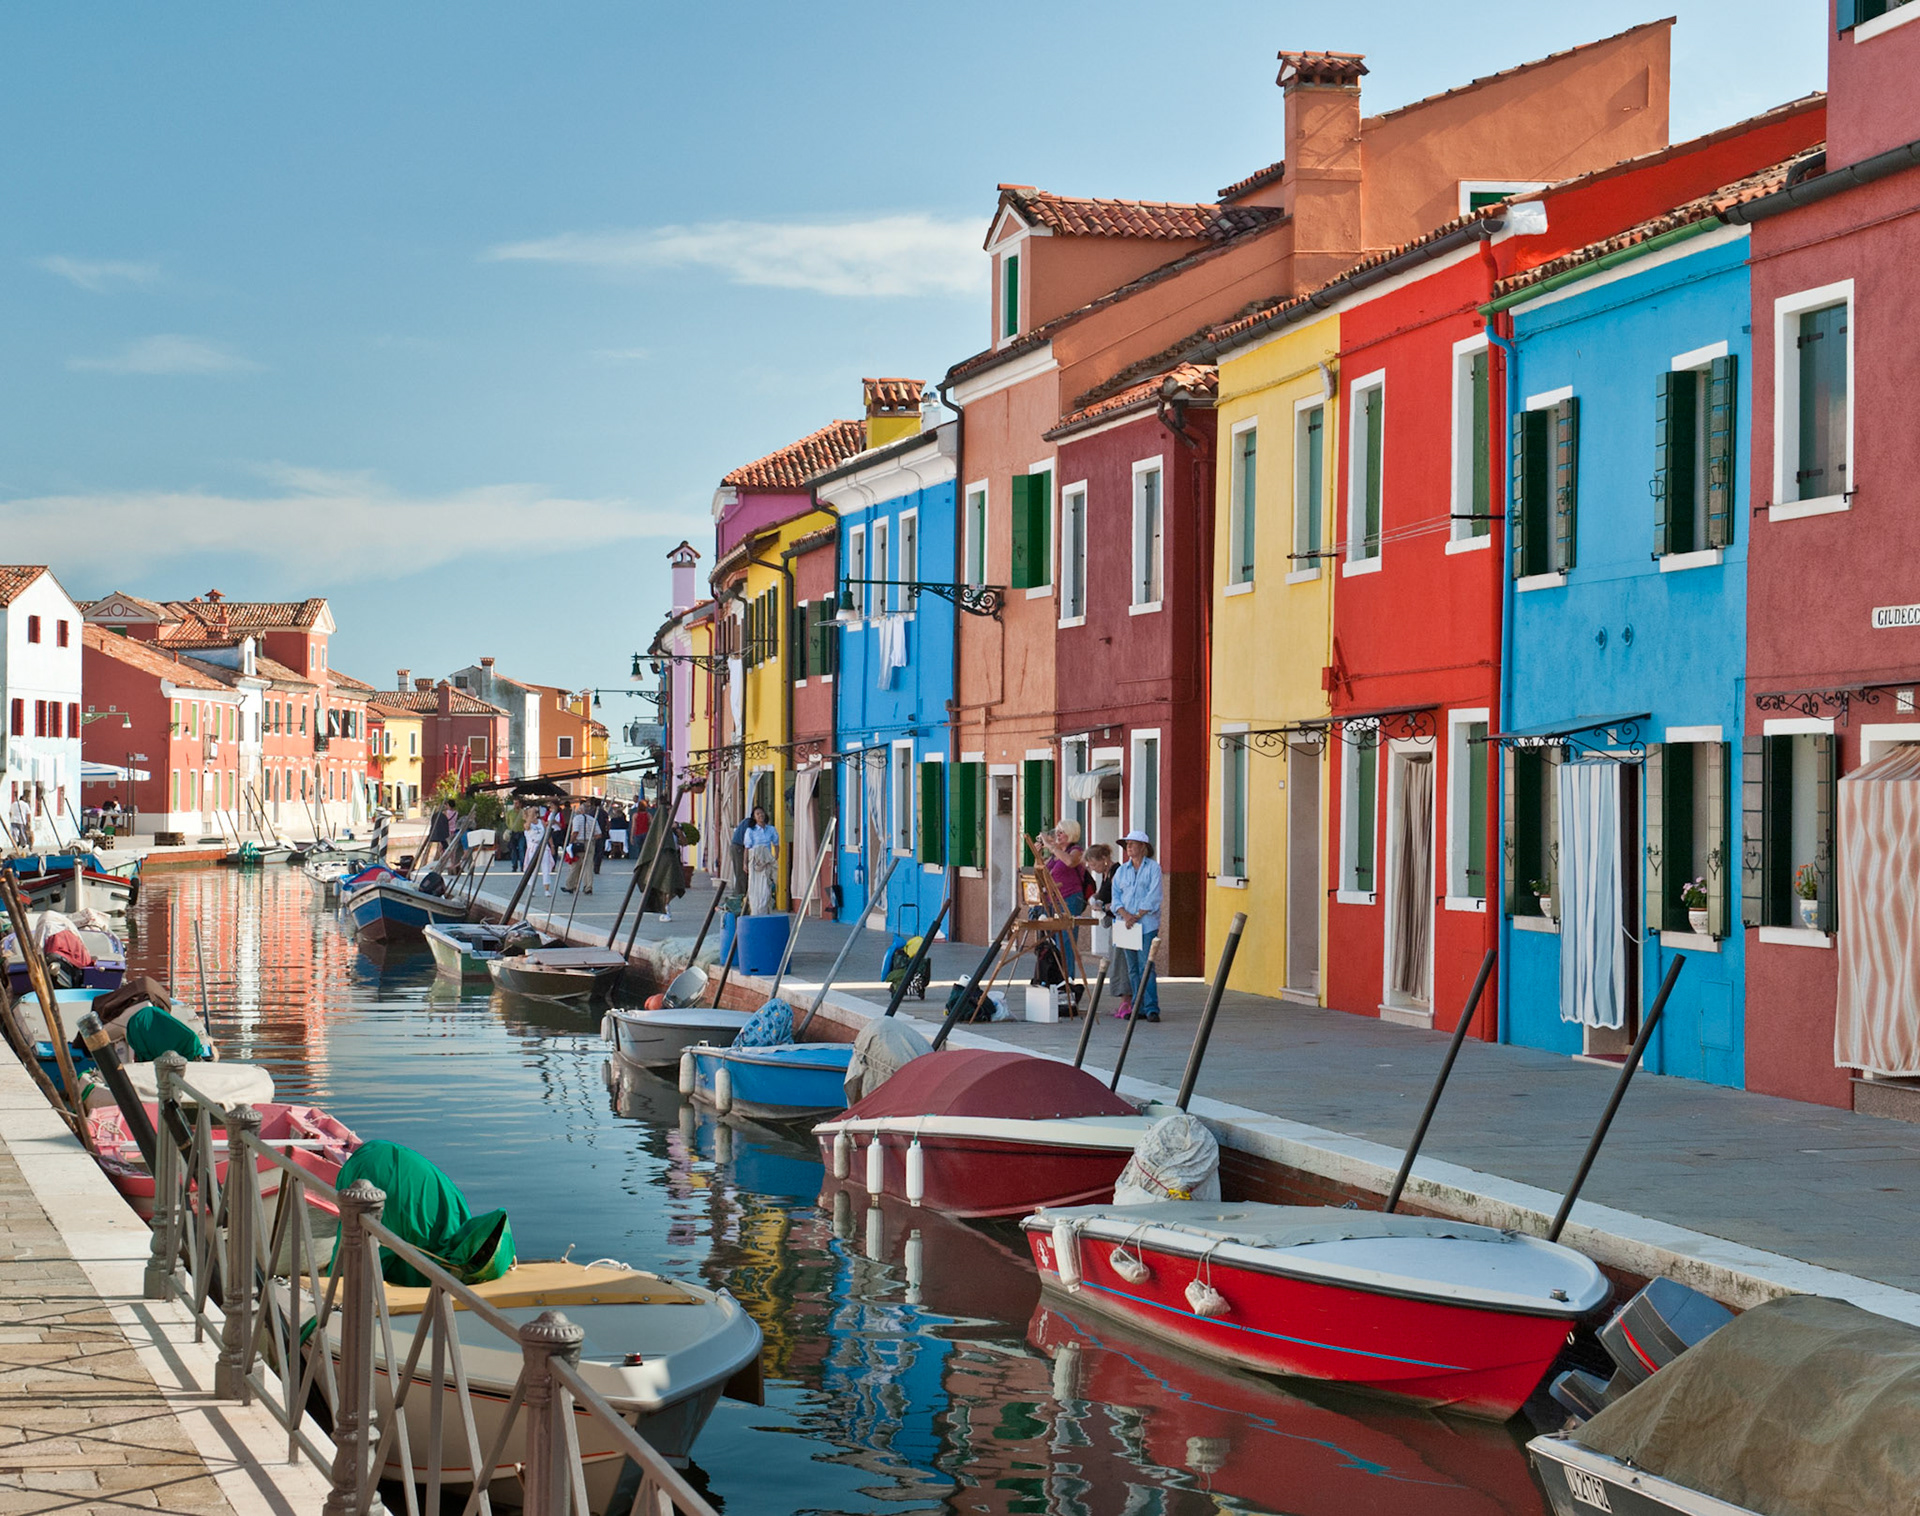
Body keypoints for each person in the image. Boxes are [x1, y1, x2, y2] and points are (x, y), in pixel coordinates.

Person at [1110, 829, 1162, 1022]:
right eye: (1127, 845)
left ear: (1143, 847)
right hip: (1125, 924)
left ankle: (1151, 1007)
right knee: (1132, 967)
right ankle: (1137, 1006)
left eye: (1132, 844)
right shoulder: (1122, 870)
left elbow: (1154, 895)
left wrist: (1138, 914)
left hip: (1146, 924)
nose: (1128, 848)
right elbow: (1115, 897)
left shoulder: (1153, 868)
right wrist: (1125, 914)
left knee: (1146, 966)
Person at [1085, 842, 1130, 1003]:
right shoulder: (1106, 875)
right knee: (1116, 960)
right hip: (1113, 920)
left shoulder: (1117, 872)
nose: (1093, 868)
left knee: (1122, 961)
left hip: (1123, 921)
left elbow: (1122, 898)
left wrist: (1104, 905)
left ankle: (1127, 1001)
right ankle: (1124, 1000)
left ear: (1104, 859)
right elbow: (1104, 893)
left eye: (1094, 864)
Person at [742, 805, 779, 915]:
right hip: (755, 860)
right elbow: (747, 848)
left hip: (766, 860)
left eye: (761, 813)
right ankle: (755, 910)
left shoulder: (771, 829)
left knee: (766, 887)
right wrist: (745, 863)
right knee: (754, 887)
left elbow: (776, 844)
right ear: (754, 817)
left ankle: (765, 910)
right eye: (757, 814)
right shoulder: (750, 831)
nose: (760, 815)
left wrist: (775, 857)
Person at [562, 800, 603, 894]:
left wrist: (570, 843)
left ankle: (571, 885)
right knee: (588, 866)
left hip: (579, 843)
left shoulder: (577, 819)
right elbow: (599, 834)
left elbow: (575, 832)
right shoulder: (592, 819)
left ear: (580, 810)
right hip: (590, 843)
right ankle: (588, 887)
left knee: (575, 865)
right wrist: (591, 837)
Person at [419, 801, 455, 870]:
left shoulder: (446, 813)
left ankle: (442, 862)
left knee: (442, 848)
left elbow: (442, 819)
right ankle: (451, 862)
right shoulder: (456, 812)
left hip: (446, 832)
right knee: (450, 848)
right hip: (453, 831)